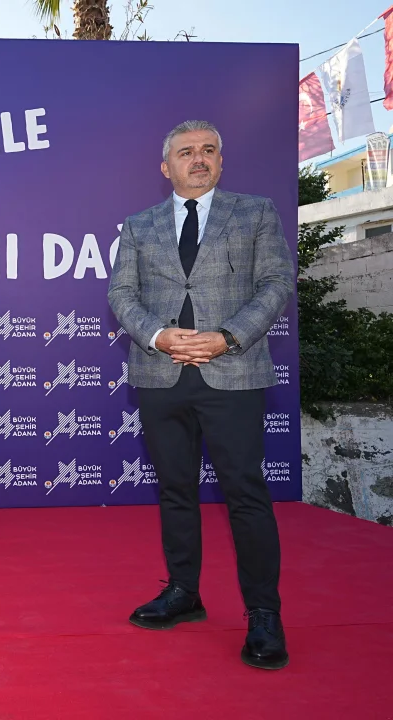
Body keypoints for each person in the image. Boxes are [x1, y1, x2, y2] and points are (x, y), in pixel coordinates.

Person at [106, 120, 294, 670]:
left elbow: (276, 283)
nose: (199, 159)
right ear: (166, 167)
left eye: (209, 150)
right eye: (186, 152)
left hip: (231, 371)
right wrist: (159, 335)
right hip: (160, 373)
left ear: (221, 160)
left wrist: (227, 337)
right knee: (175, 491)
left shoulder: (255, 213)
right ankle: (183, 592)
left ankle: (264, 613)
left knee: (246, 494)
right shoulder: (139, 225)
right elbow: (121, 292)